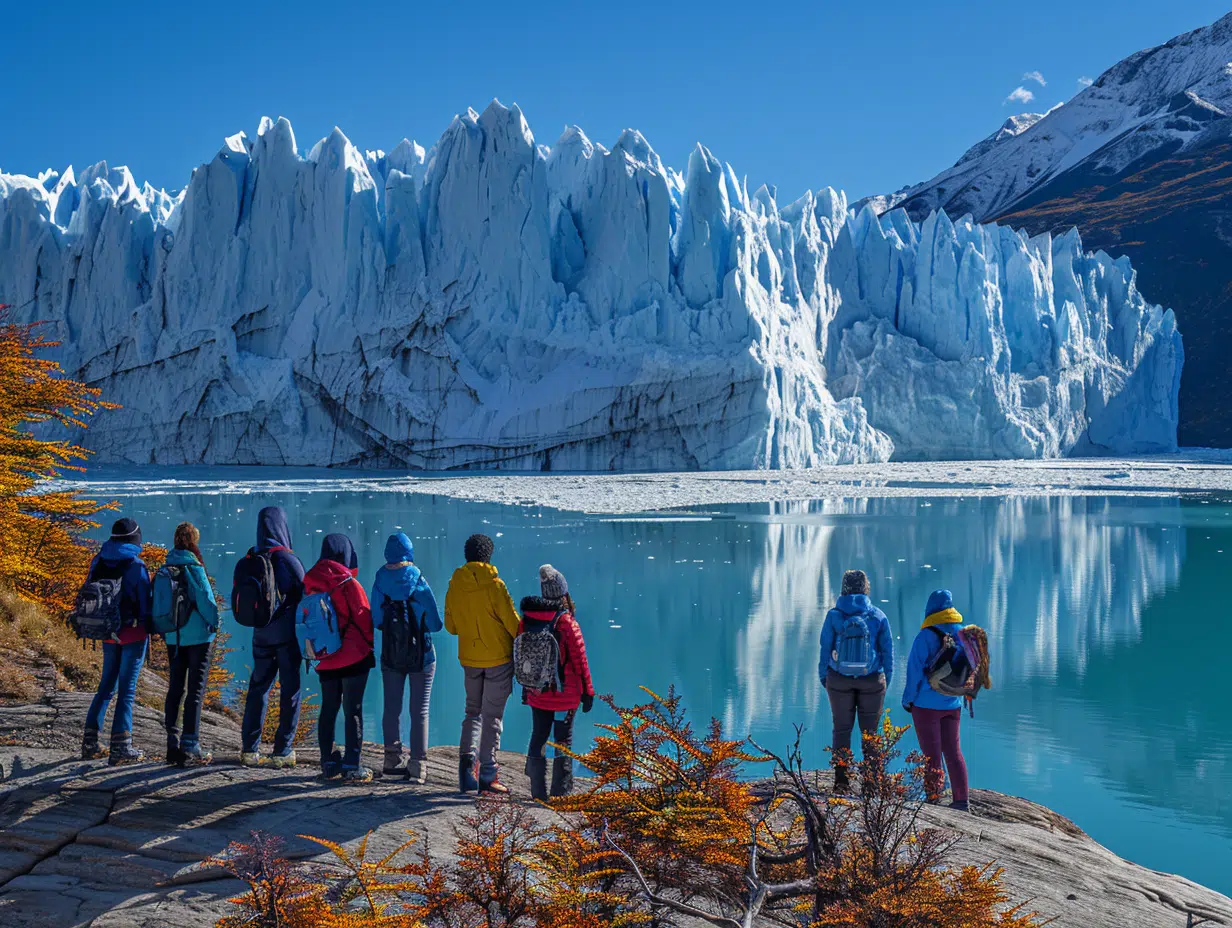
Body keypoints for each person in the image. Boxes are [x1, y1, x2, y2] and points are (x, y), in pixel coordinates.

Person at [444, 533, 521, 794]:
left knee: (472, 712)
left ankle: (466, 773)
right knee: (492, 718)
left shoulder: (455, 584)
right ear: (489, 555)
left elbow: (451, 627)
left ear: (467, 556)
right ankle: (488, 775)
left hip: (469, 659)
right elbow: (514, 626)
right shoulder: (495, 586)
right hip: (498, 659)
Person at [371, 532, 442, 783]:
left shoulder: (379, 580)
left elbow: (377, 621)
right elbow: (435, 624)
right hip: (421, 655)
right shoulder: (419, 580)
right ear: (409, 553)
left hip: (390, 654)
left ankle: (391, 761)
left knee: (392, 708)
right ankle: (418, 766)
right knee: (419, 711)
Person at [238, 506, 306, 768]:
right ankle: (282, 751)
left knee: (258, 690)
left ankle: (249, 749)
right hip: (287, 638)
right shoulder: (287, 559)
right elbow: (305, 591)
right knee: (290, 692)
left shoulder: (252, 559)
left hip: (260, 636)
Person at [305, 533, 375, 783]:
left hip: (325, 657)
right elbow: (363, 617)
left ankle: (327, 762)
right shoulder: (348, 583)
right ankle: (352, 765)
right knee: (353, 710)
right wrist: (368, 645)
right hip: (354, 656)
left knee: (328, 709)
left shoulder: (310, 581)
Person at [521, 565, 595, 800]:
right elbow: (580, 660)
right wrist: (588, 692)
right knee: (563, 740)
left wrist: (526, 690)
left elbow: (524, 660)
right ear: (563, 592)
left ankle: (537, 793)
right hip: (566, 694)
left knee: (538, 736)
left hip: (538, 692)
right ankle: (561, 795)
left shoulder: (527, 621)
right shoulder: (566, 623)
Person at [82, 518, 152, 765]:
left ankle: (90, 742)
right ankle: (121, 747)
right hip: (132, 634)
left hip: (107, 632)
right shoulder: (136, 565)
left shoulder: (99, 560)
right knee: (127, 691)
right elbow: (145, 603)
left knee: (106, 686)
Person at [819, 569, 894, 794]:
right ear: (865, 588)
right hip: (872, 681)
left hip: (838, 680)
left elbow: (825, 648)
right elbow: (888, 651)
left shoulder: (834, 615)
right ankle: (871, 785)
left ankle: (841, 783)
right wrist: (884, 680)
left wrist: (825, 677)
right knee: (870, 733)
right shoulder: (878, 615)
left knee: (841, 730)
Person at [902, 589, 970, 812]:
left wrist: (908, 701)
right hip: (953, 703)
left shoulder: (925, 636)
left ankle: (934, 799)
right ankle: (961, 801)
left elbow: (914, 673)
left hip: (926, 706)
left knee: (932, 755)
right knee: (954, 752)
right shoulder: (963, 633)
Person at [163, 522, 222, 766]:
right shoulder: (193, 567)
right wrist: (215, 624)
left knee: (175, 688)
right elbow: (207, 601)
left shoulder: (166, 566)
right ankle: (191, 744)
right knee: (195, 691)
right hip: (198, 638)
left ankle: (171, 743)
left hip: (173, 637)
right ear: (194, 541)